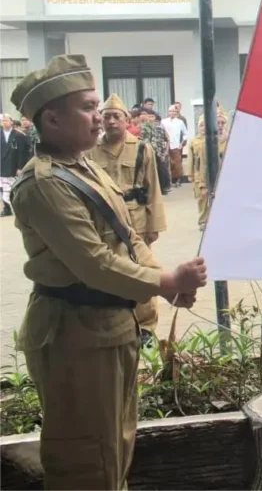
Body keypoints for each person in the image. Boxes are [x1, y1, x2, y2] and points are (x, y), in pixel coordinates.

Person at [8, 54, 206, 489]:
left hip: (109, 327)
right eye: (87, 108)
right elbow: (94, 262)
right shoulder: (45, 184)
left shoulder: (84, 167)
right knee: (84, 459)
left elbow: (128, 235)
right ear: (52, 120)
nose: (98, 117)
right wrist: (167, 282)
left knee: (114, 447)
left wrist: (165, 282)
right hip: (73, 335)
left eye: (98, 107)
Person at [87, 93, 168, 344]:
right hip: (104, 219)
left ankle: (145, 326)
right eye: (106, 117)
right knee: (109, 270)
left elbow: (153, 189)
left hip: (135, 217)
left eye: (116, 117)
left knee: (142, 270)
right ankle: (116, 321)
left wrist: (154, 226)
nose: (111, 121)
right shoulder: (91, 151)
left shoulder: (142, 148)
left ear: (127, 120)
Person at [189, 112, 229, 231]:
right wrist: (201, 183)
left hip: (225, 177)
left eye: (223, 123)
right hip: (207, 177)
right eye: (218, 123)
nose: (220, 125)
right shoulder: (206, 142)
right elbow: (202, 165)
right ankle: (203, 220)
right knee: (203, 198)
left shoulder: (231, 140)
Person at [1, 113, 31, 216]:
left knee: (17, 189)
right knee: (5, 190)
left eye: (7, 120)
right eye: (3, 121)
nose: (5, 122)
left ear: (11, 122)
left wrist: (20, 167)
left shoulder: (18, 135)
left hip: (14, 166)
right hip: (2, 166)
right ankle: (7, 209)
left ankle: (22, 209)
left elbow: (22, 152)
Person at [162, 105, 188, 186]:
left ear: (176, 112)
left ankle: (178, 180)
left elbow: (185, 133)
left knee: (177, 164)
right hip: (166, 145)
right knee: (167, 163)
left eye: (173, 111)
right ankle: (168, 181)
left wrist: (182, 143)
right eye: (170, 111)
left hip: (176, 145)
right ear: (168, 112)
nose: (172, 113)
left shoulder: (180, 122)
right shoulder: (163, 121)